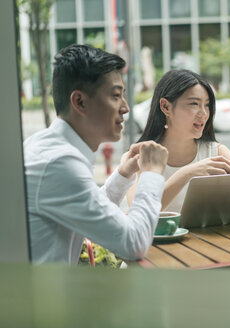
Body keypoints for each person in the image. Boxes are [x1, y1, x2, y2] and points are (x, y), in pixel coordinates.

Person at [24, 44, 169, 265]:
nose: (125, 107)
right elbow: (134, 244)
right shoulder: (59, 163)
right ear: (79, 102)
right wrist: (152, 174)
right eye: (116, 96)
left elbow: (89, 208)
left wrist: (123, 174)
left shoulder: (48, 147)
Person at [126, 69, 230, 212]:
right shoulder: (140, 157)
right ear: (166, 107)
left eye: (207, 105)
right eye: (194, 104)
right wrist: (186, 174)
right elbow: (138, 212)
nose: (203, 113)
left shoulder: (217, 152)